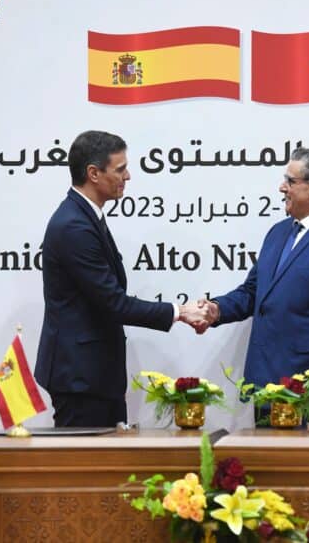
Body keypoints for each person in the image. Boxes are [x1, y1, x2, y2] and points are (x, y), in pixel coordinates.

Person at [34, 130, 208, 427]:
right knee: (89, 471)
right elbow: (113, 302)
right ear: (93, 173)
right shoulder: (74, 226)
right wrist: (179, 312)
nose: (128, 176)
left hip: (93, 375)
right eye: (120, 169)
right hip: (80, 379)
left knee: (109, 468)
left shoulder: (87, 216)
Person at [200, 147, 309, 403]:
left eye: (290, 181)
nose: (282, 187)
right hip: (265, 385)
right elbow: (253, 292)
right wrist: (216, 309)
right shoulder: (278, 233)